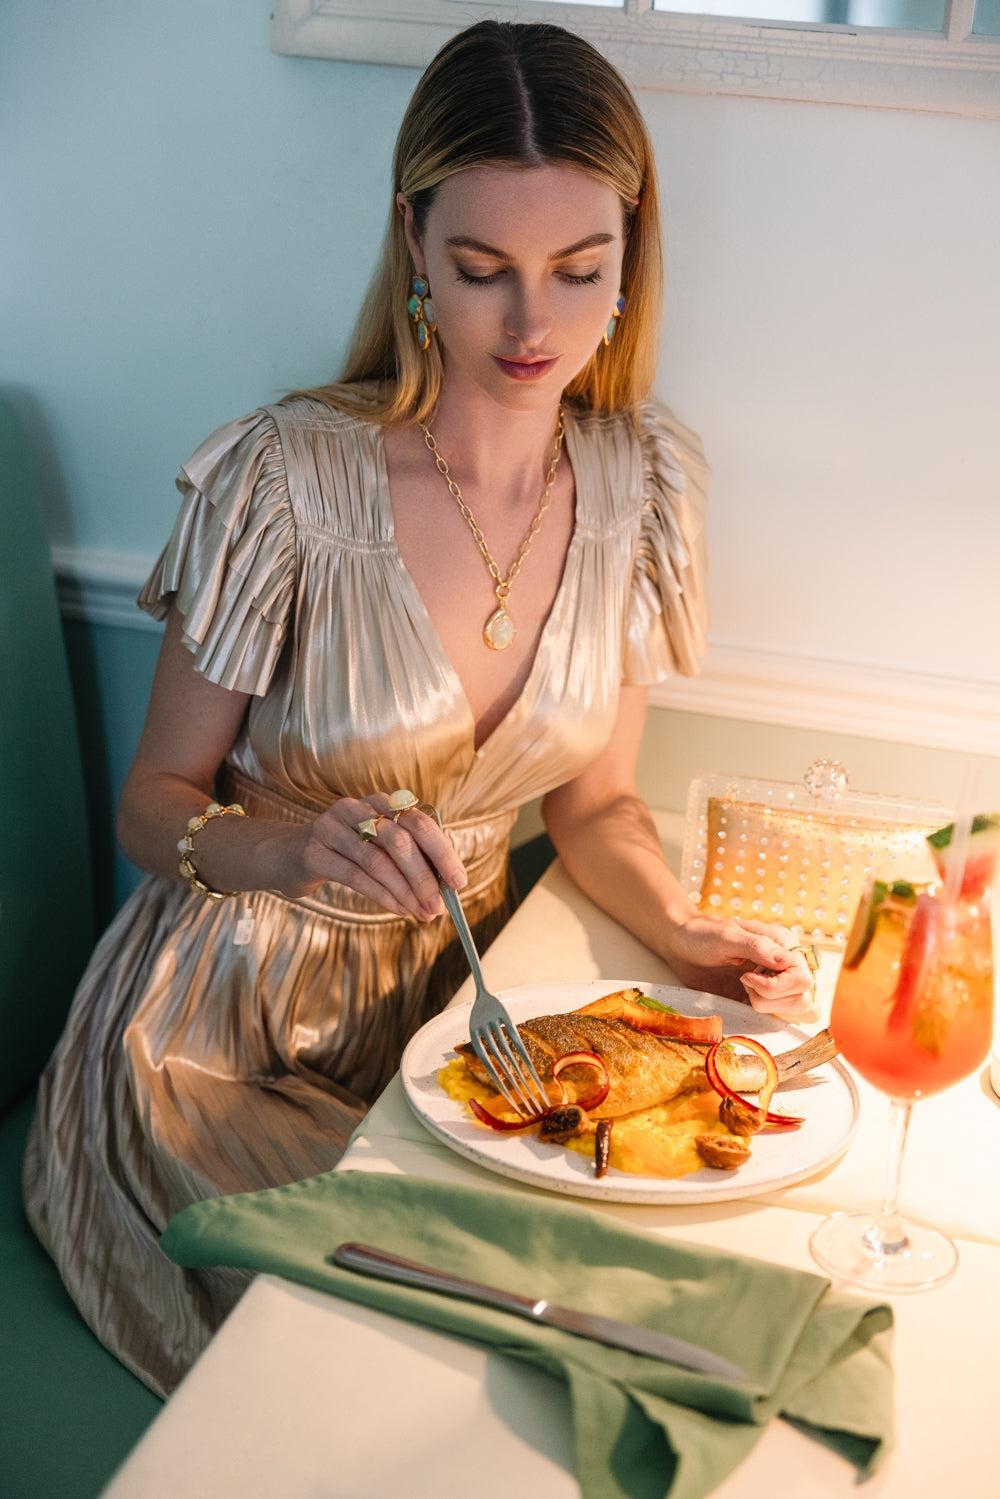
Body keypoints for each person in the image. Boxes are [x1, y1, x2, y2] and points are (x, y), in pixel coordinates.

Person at [23, 18, 815, 1399]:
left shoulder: (639, 487)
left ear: (631, 258)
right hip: (210, 1045)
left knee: (636, 1279)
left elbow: (596, 804)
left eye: (580, 271)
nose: (532, 325)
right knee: (455, 1326)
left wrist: (681, 930)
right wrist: (294, 846)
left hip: (459, 1029)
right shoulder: (287, 479)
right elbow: (154, 806)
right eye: (483, 269)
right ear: (412, 243)